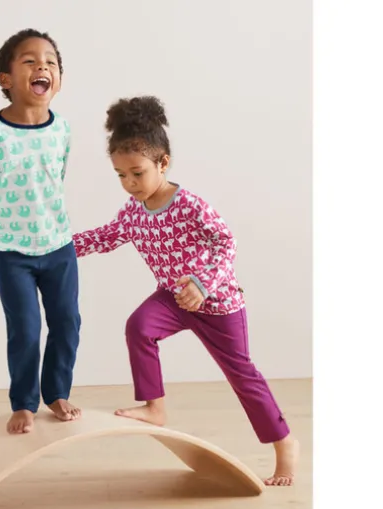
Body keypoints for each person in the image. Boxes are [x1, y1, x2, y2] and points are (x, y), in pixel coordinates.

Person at [72, 96, 298, 485]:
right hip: (173, 299)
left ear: (163, 163)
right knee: (139, 326)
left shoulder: (190, 205)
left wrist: (203, 284)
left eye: (137, 173)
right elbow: (105, 237)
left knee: (243, 376)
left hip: (218, 304)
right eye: (120, 175)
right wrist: (58, 247)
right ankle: (155, 407)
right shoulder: (132, 212)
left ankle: (284, 445)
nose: (129, 184)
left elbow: (226, 243)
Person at [0, 29, 81, 434]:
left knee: (67, 322)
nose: (42, 66)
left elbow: (55, 181)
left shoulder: (62, 130)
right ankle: (24, 402)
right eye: (30, 61)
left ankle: (57, 392)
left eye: (50, 62)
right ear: (5, 79)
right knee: (26, 329)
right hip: (12, 253)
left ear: (58, 79)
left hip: (59, 246)